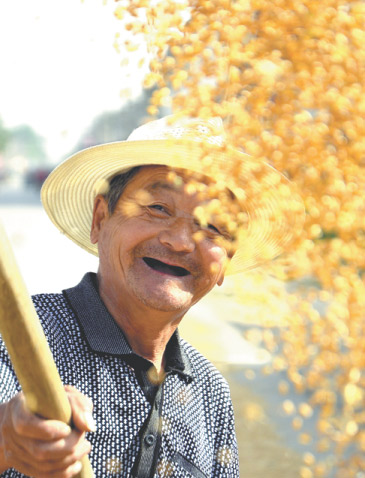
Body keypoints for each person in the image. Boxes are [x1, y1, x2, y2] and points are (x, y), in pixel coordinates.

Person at [0, 116, 304, 477]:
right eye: (157, 208)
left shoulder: (210, 393)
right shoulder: (19, 335)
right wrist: (8, 440)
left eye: (213, 226)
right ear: (101, 219)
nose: (179, 241)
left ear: (224, 264)